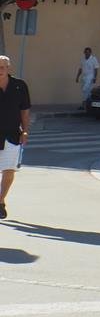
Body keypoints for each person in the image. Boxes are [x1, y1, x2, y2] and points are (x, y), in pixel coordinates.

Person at [0, 55, 31, 221]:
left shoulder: (20, 86)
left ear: (8, 68)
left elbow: (25, 110)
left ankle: (0, 201)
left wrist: (25, 131)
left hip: (12, 135)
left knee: (9, 171)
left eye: (2, 67)